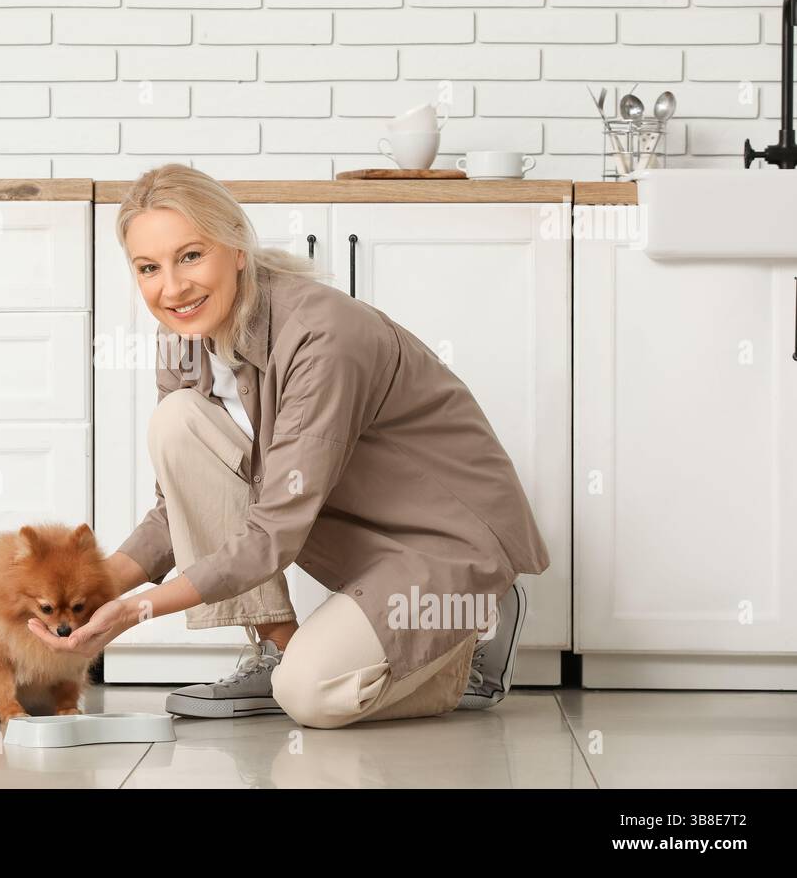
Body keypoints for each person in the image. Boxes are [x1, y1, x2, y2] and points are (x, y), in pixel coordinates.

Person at [28, 163, 549, 728]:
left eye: (191, 256)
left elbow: (274, 529)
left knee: (310, 697)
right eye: (149, 268)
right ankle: (279, 648)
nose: (171, 288)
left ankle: (469, 635)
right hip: (353, 538)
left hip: (445, 546)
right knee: (175, 421)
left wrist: (137, 609)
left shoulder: (322, 336)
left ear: (238, 249)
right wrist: (81, 600)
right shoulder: (182, 338)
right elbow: (173, 509)